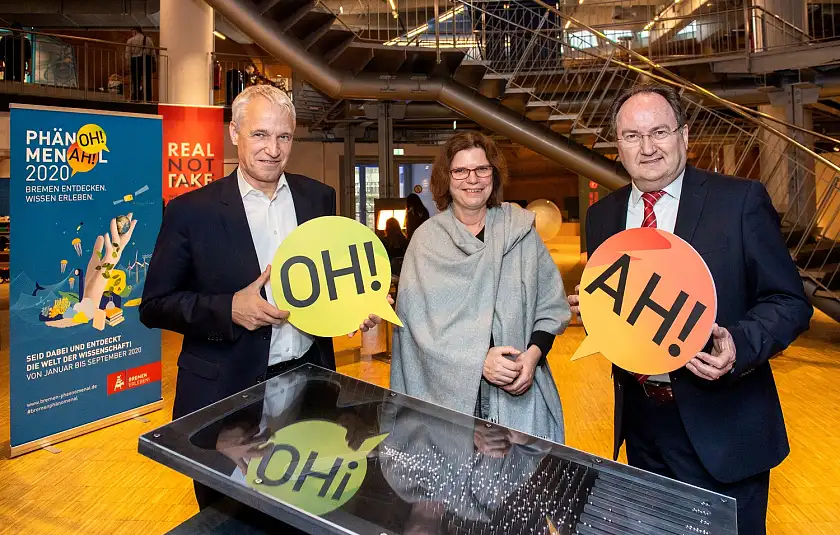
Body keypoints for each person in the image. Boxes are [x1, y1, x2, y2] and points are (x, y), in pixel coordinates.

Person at [568, 83, 812, 534]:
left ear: (684, 135)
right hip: (643, 427)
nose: (647, 148)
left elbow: (789, 301)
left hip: (723, 427)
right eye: (632, 136)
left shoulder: (739, 201)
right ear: (617, 145)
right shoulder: (603, 217)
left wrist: (737, 345)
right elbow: (628, 311)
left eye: (659, 132)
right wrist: (598, 315)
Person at [140, 84, 387, 508]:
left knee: (305, 508)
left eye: (284, 136)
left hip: (310, 388)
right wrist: (229, 309)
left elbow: (326, 280)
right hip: (226, 399)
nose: (273, 149)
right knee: (229, 517)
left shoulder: (318, 198)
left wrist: (352, 307)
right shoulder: (191, 211)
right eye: (260, 134)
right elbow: (154, 305)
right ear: (234, 133)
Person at [391, 131, 570, 443]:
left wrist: (532, 357)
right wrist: (479, 361)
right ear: (446, 178)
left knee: (520, 473)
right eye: (460, 170)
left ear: (494, 174)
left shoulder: (520, 231)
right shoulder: (426, 241)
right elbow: (416, 328)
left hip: (519, 393)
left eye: (482, 169)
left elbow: (550, 305)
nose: (472, 179)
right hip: (448, 400)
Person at [125, 27, 154, 101]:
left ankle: (136, 99)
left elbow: (128, 55)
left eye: (132, 32)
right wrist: (154, 63)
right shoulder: (148, 39)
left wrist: (128, 65)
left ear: (134, 31)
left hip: (135, 61)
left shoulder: (130, 40)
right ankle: (148, 100)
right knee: (147, 81)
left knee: (136, 82)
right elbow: (153, 53)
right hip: (147, 61)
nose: (132, 34)